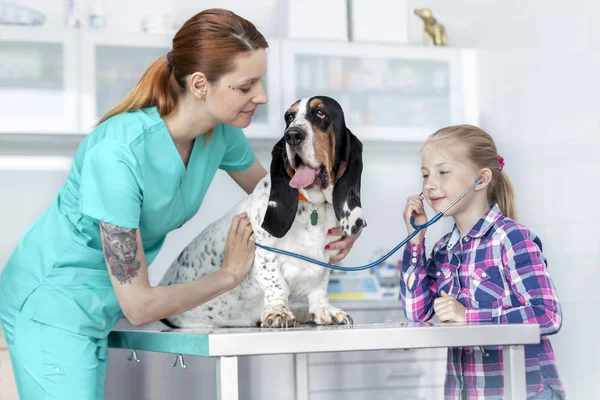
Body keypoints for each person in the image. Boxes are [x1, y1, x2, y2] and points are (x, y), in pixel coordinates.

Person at [0, 8, 360, 400]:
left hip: (105, 306)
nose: (262, 96)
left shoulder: (219, 136)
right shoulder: (117, 154)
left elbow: (280, 203)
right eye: (246, 86)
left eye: (261, 81)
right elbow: (139, 306)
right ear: (201, 84)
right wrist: (228, 275)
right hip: (53, 303)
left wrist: (340, 226)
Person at [400, 124, 565, 399]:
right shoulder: (443, 249)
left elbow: (548, 315)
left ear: (481, 179)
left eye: (443, 172)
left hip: (524, 392)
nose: (429, 185)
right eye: (426, 175)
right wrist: (415, 240)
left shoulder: (511, 238)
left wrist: (468, 317)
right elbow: (417, 313)